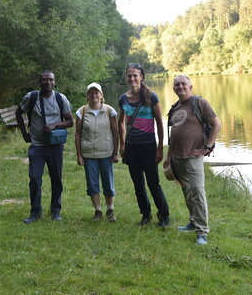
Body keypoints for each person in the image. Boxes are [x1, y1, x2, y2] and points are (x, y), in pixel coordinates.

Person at [163, 75, 221, 245]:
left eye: (183, 84)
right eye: (177, 85)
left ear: (190, 86)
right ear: (173, 88)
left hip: (193, 157)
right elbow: (174, 134)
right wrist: (168, 156)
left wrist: (207, 147)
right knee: (187, 192)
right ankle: (193, 222)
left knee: (197, 192)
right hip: (177, 157)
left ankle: (202, 232)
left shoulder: (199, 103)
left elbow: (217, 125)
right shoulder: (175, 108)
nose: (180, 87)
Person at [16, 70, 73, 223]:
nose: (48, 83)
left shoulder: (61, 99)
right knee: (34, 178)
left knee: (56, 179)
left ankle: (56, 212)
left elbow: (70, 121)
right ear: (39, 82)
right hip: (37, 146)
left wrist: (55, 125)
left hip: (55, 146)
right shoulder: (31, 97)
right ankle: (35, 213)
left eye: (51, 80)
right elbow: (18, 113)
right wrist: (24, 134)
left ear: (54, 82)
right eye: (44, 80)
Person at [118, 63, 170, 227]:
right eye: (129, 75)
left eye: (135, 75)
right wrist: (122, 144)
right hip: (131, 147)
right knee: (138, 185)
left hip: (148, 146)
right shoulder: (123, 99)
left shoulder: (151, 97)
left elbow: (160, 124)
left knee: (153, 183)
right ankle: (145, 215)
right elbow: (121, 123)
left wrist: (160, 148)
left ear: (141, 77)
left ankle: (164, 216)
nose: (132, 78)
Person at [75, 83, 119, 222]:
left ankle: (110, 210)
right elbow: (77, 134)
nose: (94, 95)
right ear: (87, 96)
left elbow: (115, 132)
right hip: (88, 154)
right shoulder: (81, 112)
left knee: (108, 183)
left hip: (106, 152)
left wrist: (116, 152)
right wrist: (79, 155)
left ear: (101, 95)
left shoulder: (110, 111)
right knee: (92, 184)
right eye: (91, 93)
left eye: (97, 92)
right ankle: (98, 211)